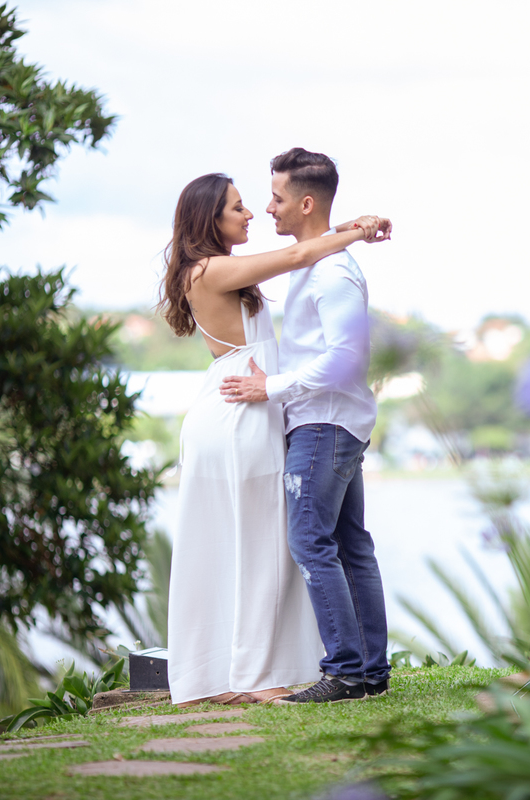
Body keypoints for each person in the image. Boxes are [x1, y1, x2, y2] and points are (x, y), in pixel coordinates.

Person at [158, 172, 388, 706]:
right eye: (238, 208)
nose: (253, 214)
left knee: (262, 545)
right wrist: (357, 230)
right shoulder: (209, 268)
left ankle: (251, 671)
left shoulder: (224, 266)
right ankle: (251, 674)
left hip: (260, 408)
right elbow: (293, 258)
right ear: (209, 218)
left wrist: (350, 229)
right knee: (255, 545)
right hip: (239, 412)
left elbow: (298, 255)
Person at [221, 148, 391, 703]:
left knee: (312, 543)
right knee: (349, 545)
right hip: (330, 421)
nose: (268, 208)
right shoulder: (317, 260)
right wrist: (357, 226)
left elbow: (345, 357)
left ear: (306, 202)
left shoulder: (333, 273)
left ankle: (345, 671)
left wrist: (268, 388)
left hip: (324, 425)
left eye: (276, 198)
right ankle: (367, 673)